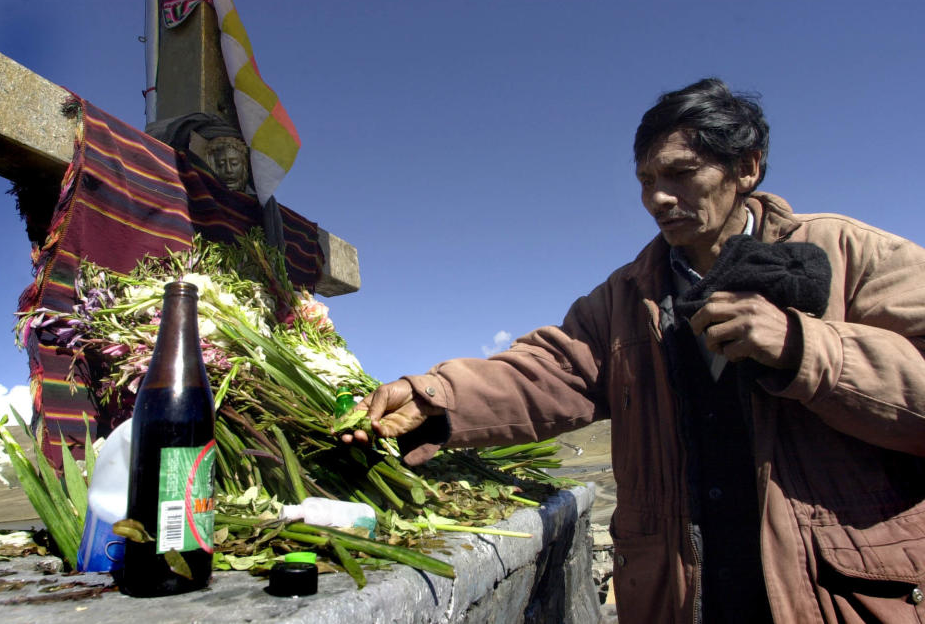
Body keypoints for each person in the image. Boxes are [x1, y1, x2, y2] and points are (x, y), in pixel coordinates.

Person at [344, 78, 925, 623]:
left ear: (745, 168)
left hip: (837, 593)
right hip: (683, 599)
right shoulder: (627, 296)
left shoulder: (853, 256)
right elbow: (549, 371)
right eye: (646, 180)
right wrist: (433, 397)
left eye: (681, 173)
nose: (658, 198)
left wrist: (803, 348)